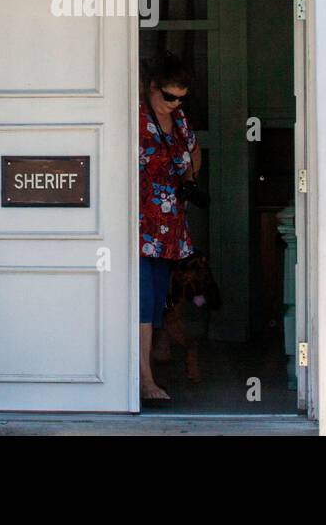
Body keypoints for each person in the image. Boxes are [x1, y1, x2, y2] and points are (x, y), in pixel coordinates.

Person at [137, 51, 202, 403]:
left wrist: (190, 180)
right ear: (151, 88)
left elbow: (194, 151)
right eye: (168, 97)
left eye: (181, 98)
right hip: (138, 225)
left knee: (160, 300)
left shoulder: (179, 122)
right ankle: (143, 380)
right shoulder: (135, 118)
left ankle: (148, 367)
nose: (175, 104)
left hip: (169, 230)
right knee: (142, 301)